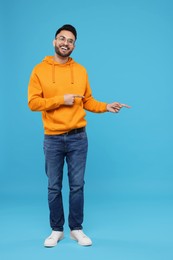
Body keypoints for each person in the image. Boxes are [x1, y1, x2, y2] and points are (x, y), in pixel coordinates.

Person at [28, 24, 130, 247]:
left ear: (74, 46)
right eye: (62, 39)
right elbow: (33, 103)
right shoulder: (39, 70)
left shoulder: (81, 70)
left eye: (70, 40)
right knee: (54, 186)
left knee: (77, 185)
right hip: (52, 138)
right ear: (54, 42)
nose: (66, 43)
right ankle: (57, 230)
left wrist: (106, 106)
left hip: (78, 138)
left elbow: (87, 101)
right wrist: (60, 100)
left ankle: (75, 229)